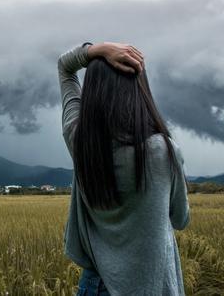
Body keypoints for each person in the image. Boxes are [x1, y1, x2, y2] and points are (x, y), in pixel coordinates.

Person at [57, 41, 190, 296]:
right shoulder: (163, 150)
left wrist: (97, 50)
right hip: (153, 287)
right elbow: (180, 218)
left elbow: (65, 67)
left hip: (95, 287)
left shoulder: (80, 141)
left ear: (92, 91)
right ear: (140, 87)